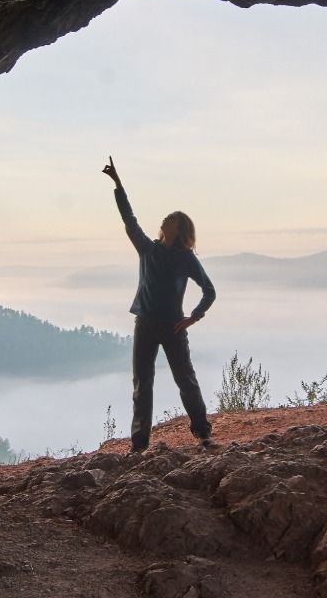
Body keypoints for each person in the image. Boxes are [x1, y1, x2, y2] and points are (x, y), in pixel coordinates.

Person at [102, 156, 217, 453]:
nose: (165, 219)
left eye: (172, 219)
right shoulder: (147, 249)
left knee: (186, 380)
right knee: (142, 386)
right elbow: (130, 220)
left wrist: (194, 317)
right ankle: (139, 446)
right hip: (145, 323)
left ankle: (203, 434)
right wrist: (118, 185)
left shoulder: (186, 258)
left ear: (179, 229)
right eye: (167, 218)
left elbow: (209, 290)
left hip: (173, 327)